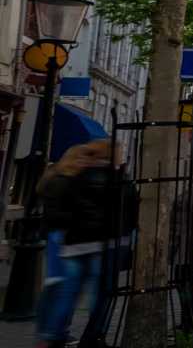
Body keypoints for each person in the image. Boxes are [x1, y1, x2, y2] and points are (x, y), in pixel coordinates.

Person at [35, 139, 136, 348]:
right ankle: (94, 336)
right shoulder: (120, 180)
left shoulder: (75, 177)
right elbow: (130, 211)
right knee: (101, 295)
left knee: (67, 292)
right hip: (104, 244)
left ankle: (52, 336)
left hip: (74, 243)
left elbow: (64, 207)